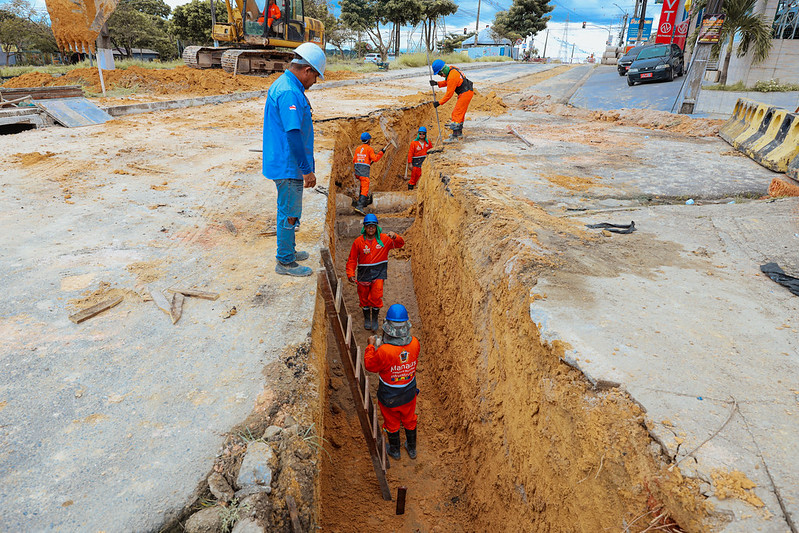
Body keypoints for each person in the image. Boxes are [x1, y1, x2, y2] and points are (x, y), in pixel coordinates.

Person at [262, 42, 325, 277]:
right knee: (289, 213)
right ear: (307, 70)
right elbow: (293, 133)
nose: (315, 82)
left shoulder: (288, 85)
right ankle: (285, 261)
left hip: (285, 162)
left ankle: (289, 249)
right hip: (288, 165)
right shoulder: (289, 91)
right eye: (315, 76)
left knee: (289, 210)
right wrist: (306, 170)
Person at [365, 304, 420, 460]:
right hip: (409, 392)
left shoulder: (384, 351)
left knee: (391, 422)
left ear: (388, 327)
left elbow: (370, 365)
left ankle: (395, 451)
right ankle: (412, 448)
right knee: (409, 419)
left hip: (389, 395)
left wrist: (370, 346)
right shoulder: (415, 343)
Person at [346, 214, 405, 330]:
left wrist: (395, 236)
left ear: (376, 227)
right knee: (363, 297)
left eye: (373, 226)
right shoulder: (358, 242)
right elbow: (352, 260)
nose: (371, 228)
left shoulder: (385, 239)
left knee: (376, 296)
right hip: (364, 273)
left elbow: (400, 244)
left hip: (379, 272)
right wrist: (350, 274)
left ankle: (375, 318)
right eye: (368, 226)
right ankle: (367, 318)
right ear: (364, 228)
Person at [429, 59, 474, 142]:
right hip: (466, 92)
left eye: (439, 73)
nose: (440, 75)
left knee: (457, 113)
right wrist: (437, 83)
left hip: (465, 93)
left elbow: (449, 95)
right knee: (460, 113)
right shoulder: (452, 69)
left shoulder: (452, 76)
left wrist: (439, 103)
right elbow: (448, 81)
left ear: (443, 70)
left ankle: (455, 137)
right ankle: (459, 134)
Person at [352, 132, 389, 214]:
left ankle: (362, 202)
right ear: (368, 140)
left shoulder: (358, 148)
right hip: (364, 171)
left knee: (362, 185)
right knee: (365, 186)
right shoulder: (369, 149)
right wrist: (381, 152)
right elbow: (375, 159)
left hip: (357, 170)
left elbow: (354, 160)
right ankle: (360, 206)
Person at [406, 126, 432, 190]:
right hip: (416, 163)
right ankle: (410, 190)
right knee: (414, 178)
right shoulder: (414, 143)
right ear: (418, 134)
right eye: (420, 133)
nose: (422, 135)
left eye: (423, 133)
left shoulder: (428, 142)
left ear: (425, 134)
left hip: (425, 163)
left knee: (424, 177)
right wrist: (410, 163)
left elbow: (431, 151)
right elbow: (410, 153)